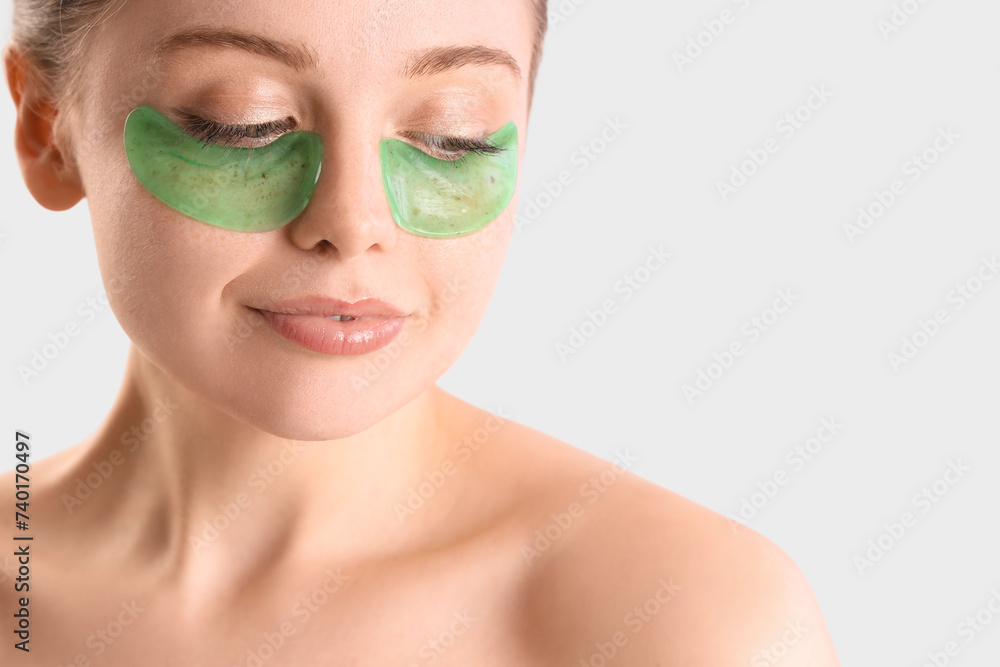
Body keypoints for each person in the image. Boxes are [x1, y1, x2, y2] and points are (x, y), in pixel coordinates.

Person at [1, 0, 841, 664]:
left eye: (450, 136)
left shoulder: (687, 621)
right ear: (48, 128)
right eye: (247, 123)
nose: (353, 220)